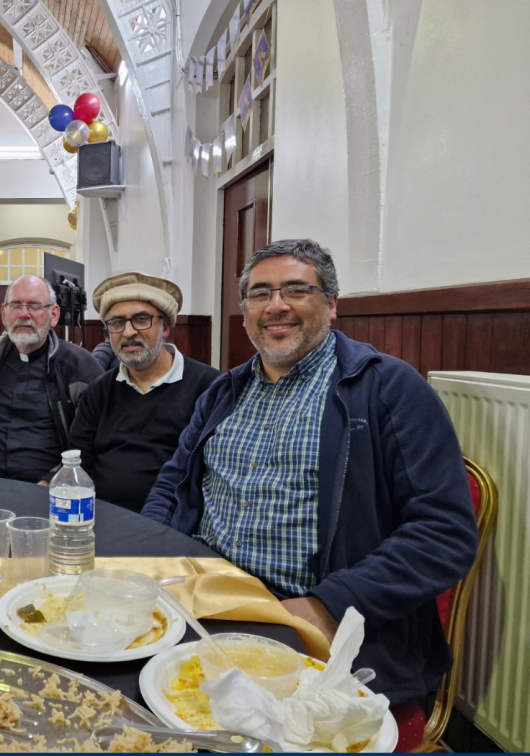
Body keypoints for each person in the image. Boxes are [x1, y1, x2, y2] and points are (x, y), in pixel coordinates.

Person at [142, 239, 479, 705]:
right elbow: (172, 483)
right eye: (260, 294)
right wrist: (149, 559)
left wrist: (327, 604)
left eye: (296, 290)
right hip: (205, 601)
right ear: (245, 312)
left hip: (315, 621)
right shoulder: (225, 392)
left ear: (332, 304)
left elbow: (444, 533)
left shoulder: (388, 389)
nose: (275, 306)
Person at [63, 272, 219, 512]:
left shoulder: (209, 387)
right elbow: (79, 463)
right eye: (117, 323)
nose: (128, 333)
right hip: (103, 520)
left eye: (141, 319)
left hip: (177, 525)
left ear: (165, 327)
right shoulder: (99, 391)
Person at [0, 274, 103, 483]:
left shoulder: (80, 368)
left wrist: (52, 481)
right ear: (4, 314)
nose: (24, 314)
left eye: (34, 306)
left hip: (50, 493)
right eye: (15, 306)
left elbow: (92, 443)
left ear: (54, 314)